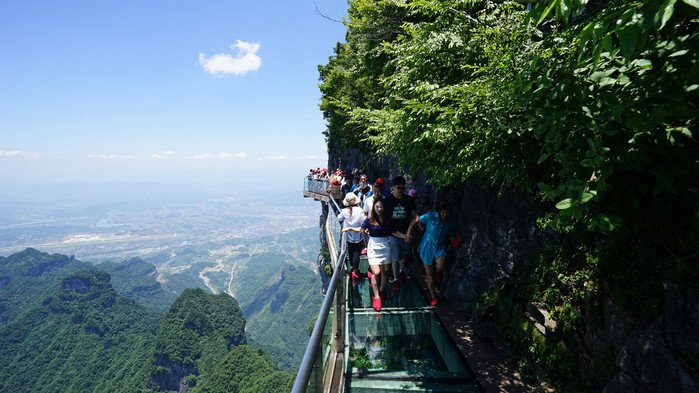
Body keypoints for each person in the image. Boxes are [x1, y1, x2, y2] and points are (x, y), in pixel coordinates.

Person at [343, 197, 404, 312]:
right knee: (376, 272)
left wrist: (404, 236)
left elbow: (394, 232)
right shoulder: (369, 220)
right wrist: (349, 228)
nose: (379, 209)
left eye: (381, 207)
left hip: (385, 247)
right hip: (373, 248)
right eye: (377, 207)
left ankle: (382, 289)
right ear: (374, 208)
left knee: (385, 271)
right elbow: (361, 230)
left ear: (384, 208)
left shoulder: (388, 220)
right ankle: (376, 297)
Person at [406, 200, 456, 307]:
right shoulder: (431, 216)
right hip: (427, 246)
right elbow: (417, 220)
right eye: (443, 212)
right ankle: (433, 296)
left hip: (440, 246)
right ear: (439, 211)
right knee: (430, 274)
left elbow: (451, 235)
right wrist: (408, 232)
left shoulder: (450, 222)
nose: (445, 214)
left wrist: (454, 241)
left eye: (447, 212)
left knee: (441, 262)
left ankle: (439, 271)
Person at [384, 176, 417, 292]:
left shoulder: (408, 200)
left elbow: (414, 214)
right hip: (393, 233)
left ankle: (401, 271)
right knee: (395, 255)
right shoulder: (388, 201)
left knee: (403, 254)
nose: (400, 191)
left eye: (402, 188)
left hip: (406, 231)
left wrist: (417, 222)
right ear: (393, 187)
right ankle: (395, 279)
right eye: (398, 188)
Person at [337, 192, 365, 287]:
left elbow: (339, 218)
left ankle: (353, 270)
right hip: (357, 234)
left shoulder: (345, 211)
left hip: (348, 235)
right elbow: (362, 222)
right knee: (357, 253)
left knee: (351, 252)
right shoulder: (360, 210)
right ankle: (355, 272)